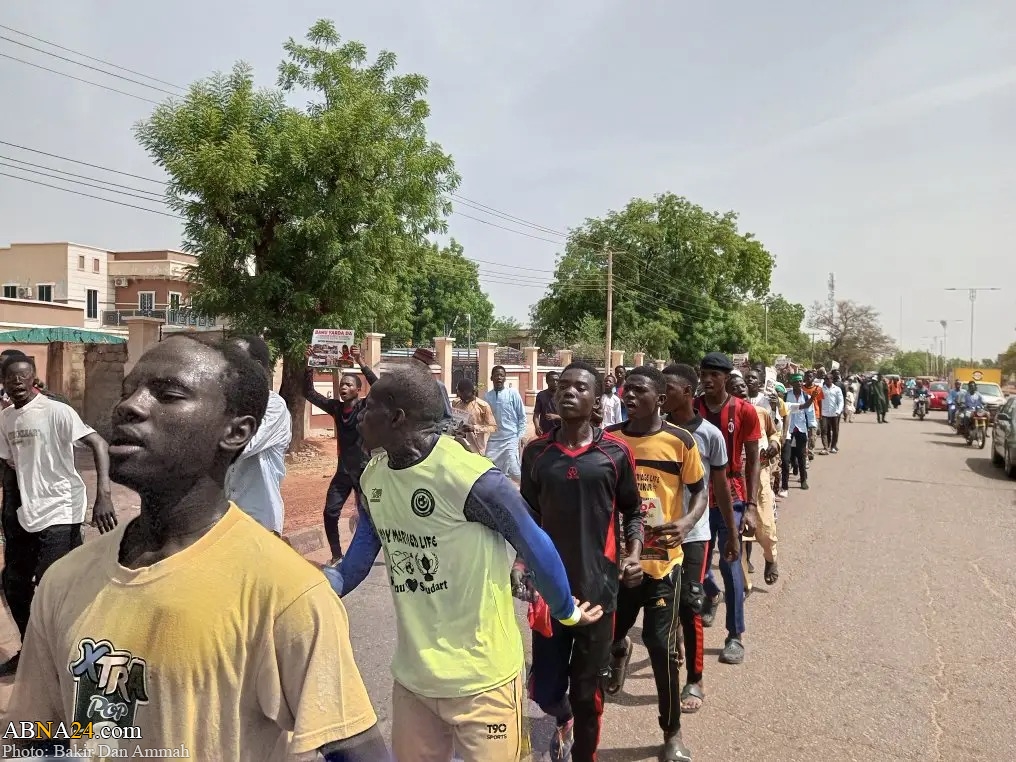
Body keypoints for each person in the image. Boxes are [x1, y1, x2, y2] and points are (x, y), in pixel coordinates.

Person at [4, 334, 386, 760]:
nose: (129, 406)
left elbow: (356, 748)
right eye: (128, 390)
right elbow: (36, 736)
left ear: (236, 431)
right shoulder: (65, 580)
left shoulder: (288, 595)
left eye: (168, 394)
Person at [326, 363, 596, 762]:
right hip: (415, 681)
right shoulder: (373, 477)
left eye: (370, 406)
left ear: (397, 418)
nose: (360, 414)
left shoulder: (472, 478)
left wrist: (566, 611)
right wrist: (318, 589)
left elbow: (536, 544)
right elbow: (358, 559)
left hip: (483, 681)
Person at [522, 362, 644, 762]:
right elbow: (528, 516)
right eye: (564, 386)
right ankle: (563, 718)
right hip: (550, 593)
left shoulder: (615, 453)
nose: (569, 392)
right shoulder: (537, 452)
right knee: (545, 692)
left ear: (596, 402)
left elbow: (632, 511)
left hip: (598, 593)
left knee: (588, 694)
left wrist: (634, 555)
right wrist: (522, 563)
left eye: (580, 387)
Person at [601, 366, 704, 762]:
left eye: (639, 390)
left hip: (663, 562)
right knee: (607, 636)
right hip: (619, 563)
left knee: (660, 645)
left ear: (660, 399)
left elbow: (699, 491)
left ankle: (671, 733)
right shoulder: (610, 439)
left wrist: (688, 521)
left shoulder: (680, 442)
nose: (628, 395)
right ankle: (618, 650)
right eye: (626, 389)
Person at [0, 353, 117, 677]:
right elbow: (9, 465)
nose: (18, 383)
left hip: (63, 507)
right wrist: (8, 511)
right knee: (14, 583)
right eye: (11, 378)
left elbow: (99, 443)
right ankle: (31, 651)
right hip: (29, 511)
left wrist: (104, 495)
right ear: (4, 382)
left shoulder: (56, 411)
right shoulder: (6, 419)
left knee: (53, 583)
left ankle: (69, 656)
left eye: (23, 376)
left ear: (33, 378)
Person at [660, 364, 736, 714]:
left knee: (691, 601)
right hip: (658, 533)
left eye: (668, 388)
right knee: (661, 602)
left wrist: (731, 532)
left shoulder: (710, 435)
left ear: (688, 393)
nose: (662, 393)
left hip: (695, 532)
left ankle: (695, 678)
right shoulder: (654, 430)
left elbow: (719, 485)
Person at [693, 353, 760, 666]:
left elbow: (753, 459)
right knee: (697, 565)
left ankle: (735, 635)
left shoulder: (744, 410)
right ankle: (711, 593)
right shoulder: (691, 408)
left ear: (725, 378)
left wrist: (751, 506)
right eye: (704, 374)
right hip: (696, 496)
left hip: (731, 495)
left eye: (714, 375)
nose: (707, 380)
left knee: (731, 563)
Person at [304, 346, 378, 563]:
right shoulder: (336, 408)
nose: (343, 387)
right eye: (341, 385)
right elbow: (309, 393)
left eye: (348, 385)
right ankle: (336, 556)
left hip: (364, 471)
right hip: (343, 471)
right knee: (330, 512)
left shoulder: (364, 406)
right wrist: (309, 364)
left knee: (372, 515)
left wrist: (361, 362)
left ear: (358, 390)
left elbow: (379, 388)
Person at [223, 335, 292, 534]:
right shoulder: (228, 404)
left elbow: (240, 447)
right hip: (225, 519)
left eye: (236, 360)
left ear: (258, 367)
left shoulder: (273, 406)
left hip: (259, 521)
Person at [729, 374, 779, 590]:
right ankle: (744, 583)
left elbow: (774, 434)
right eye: (735, 387)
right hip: (733, 482)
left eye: (743, 386)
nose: (741, 389)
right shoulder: (723, 417)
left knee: (765, 529)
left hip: (760, 479)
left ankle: (770, 557)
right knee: (736, 535)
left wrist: (774, 445)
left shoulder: (761, 412)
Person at [484, 365, 527, 483]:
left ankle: (526, 490)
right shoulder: (487, 397)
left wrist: (521, 435)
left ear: (505, 378)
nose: (499, 378)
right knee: (490, 468)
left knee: (514, 471)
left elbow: (522, 417)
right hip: (494, 440)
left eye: (501, 375)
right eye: (496, 375)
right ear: (491, 378)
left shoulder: (513, 394)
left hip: (511, 438)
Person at [781, 373, 815, 492]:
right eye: (796, 381)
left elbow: (810, 413)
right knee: (787, 457)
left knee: (802, 456)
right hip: (788, 430)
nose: (799, 383)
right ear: (792, 383)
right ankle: (790, 471)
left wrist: (811, 428)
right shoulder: (786, 396)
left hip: (801, 428)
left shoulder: (806, 396)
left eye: (801, 381)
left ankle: (803, 479)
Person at [452, 377, 497, 454]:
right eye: (461, 395)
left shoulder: (483, 406)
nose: (463, 398)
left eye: (465, 395)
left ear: (473, 392)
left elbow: (493, 427)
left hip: (476, 448)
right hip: (458, 447)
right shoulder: (456, 403)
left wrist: (474, 428)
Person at [819, 373, 844, 454]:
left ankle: (833, 446)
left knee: (835, 431)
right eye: (825, 379)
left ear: (832, 379)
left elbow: (841, 401)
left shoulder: (837, 389)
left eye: (828, 379)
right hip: (824, 413)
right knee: (824, 431)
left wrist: (839, 411)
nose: (826, 380)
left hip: (834, 413)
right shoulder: (821, 389)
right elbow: (819, 401)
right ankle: (825, 447)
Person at [801, 371, 823, 459]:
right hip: (803, 414)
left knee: (813, 435)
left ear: (813, 378)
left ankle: (810, 451)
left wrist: (820, 415)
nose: (809, 378)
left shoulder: (818, 389)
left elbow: (820, 402)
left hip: (815, 414)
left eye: (810, 376)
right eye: (807, 376)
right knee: (804, 434)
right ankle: (805, 452)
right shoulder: (801, 388)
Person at [533, 370, 561, 436]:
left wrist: (556, 417)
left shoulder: (563, 395)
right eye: (552, 380)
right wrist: (537, 427)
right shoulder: (541, 395)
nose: (555, 382)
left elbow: (569, 418)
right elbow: (536, 415)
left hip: (560, 432)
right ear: (547, 381)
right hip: (545, 432)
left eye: (557, 380)